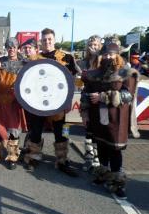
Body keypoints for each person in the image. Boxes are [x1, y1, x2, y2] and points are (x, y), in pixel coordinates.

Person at [80, 43, 138, 199]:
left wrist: (103, 97)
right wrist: (84, 114)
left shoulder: (126, 72)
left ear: (117, 55)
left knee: (115, 149)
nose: (107, 57)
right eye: (105, 55)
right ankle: (104, 175)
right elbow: (86, 93)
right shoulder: (95, 73)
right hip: (98, 117)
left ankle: (118, 183)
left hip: (117, 119)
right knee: (101, 145)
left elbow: (127, 96)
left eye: (111, 55)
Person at [23, 28, 79, 177]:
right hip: (38, 102)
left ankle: (62, 160)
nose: (47, 42)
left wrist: (68, 100)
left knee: (61, 132)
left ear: (54, 40)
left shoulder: (66, 57)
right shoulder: (35, 59)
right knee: (36, 130)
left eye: (49, 39)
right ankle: (34, 157)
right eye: (44, 40)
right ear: (41, 41)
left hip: (58, 102)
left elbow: (72, 80)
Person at [0, 38, 27, 169]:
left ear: (17, 48)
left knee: (14, 130)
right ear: (6, 48)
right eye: (9, 47)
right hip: (1, 99)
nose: (11, 49)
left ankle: (12, 156)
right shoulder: (0, 62)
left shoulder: (24, 63)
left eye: (14, 46)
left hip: (15, 101)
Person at [77, 35, 102, 172]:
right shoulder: (82, 63)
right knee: (88, 129)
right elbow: (78, 81)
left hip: (100, 101)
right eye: (91, 44)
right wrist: (78, 82)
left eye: (96, 44)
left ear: (100, 46)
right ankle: (88, 157)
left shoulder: (103, 62)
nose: (93, 46)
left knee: (98, 131)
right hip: (86, 100)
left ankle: (97, 160)